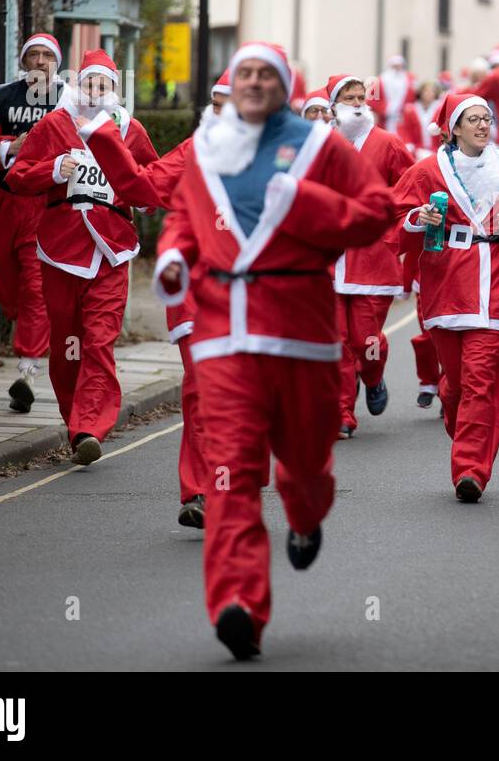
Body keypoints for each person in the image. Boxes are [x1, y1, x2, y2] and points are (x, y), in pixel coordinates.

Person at [153, 41, 393, 660]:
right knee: (231, 472)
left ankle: (307, 514)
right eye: (245, 74)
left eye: (266, 74)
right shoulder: (209, 147)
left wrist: (305, 204)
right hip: (225, 332)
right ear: (231, 87)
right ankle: (238, 606)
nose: (254, 83)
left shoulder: (320, 146)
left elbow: (376, 212)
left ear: (284, 86)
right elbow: (182, 214)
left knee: (305, 463)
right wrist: (175, 257)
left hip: (301, 330)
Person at [78, 69, 232, 527]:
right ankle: (199, 493)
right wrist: (104, 137)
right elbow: (141, 188)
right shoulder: (193, 152)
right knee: (202, 391)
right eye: (219, 103)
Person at [5, 49, 158, 465]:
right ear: (76, 85)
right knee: (69, 345)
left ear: (114, 90)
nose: (95, 91)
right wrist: (54, 169)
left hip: (112, 251)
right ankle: (76, 422)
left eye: (103, 85)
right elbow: (17, 176)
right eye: (88, 83)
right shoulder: (54, 125)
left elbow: (153, 181)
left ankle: (90, 427)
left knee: (100, 342)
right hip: (61, 251)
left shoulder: (129, 129)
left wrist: (141, 197)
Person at [390, 93, 499, 501]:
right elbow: (389, 223)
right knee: (455, 386)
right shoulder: (427, 172)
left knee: (479, 382)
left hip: (495, 283)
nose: (482, 125)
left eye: (487, 118)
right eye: (473, 119)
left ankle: (470, 472)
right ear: (454, 128)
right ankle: (464, 437)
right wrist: (415, 219)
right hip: (446, 287)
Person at [0, 33, 66, 413]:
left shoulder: (71, 99)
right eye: (33, 55)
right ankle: (29, 332)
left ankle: (28, 369)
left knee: (35, 286)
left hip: (47, 204)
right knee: (8, 283)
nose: (40, 61)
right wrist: (9, 146)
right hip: (5, 201)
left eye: (47, 55)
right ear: (23, 62)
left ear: (56, 61)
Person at [328, 73, 415, 437]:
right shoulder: (318, 143)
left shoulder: (388, 143)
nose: (358, 103)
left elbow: (413, 187)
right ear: (334, 104)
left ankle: (373, 376)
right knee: (337, 341)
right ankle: (343, 414)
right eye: (349, 98)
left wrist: (388, 223)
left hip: (373, 260)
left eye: (362, 96)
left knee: (366, 340)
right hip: (329, 260)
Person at [399, 79, 443, 160]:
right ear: (420, 92)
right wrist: (410, 146)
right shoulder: (410, 109)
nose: (429, 94)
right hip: (417, 149)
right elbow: (405, 129)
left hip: (436, 150)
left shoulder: (441, 108)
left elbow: (444, 130)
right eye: (426, 91)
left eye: (432, 91)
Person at [377, 54, 416, 134]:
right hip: (384, 119)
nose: (397, 69)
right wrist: (384, 110)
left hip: (402, 118)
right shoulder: (381, 80)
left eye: (399, 66)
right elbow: (374, 100)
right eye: (395, 66)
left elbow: (412, 98)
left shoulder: (408, 80)